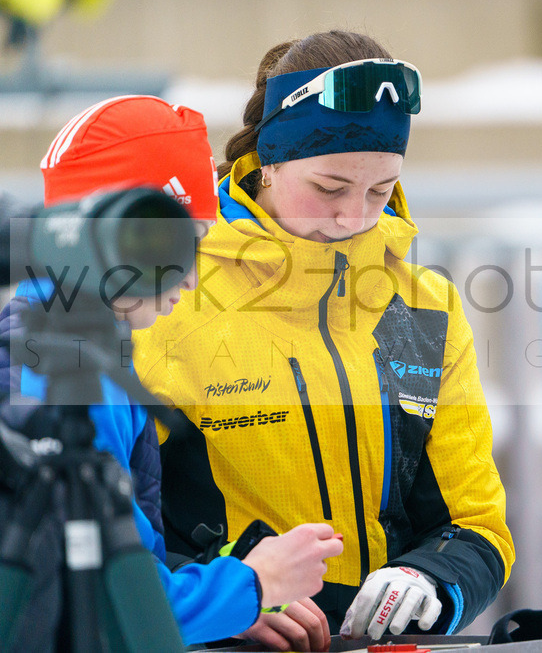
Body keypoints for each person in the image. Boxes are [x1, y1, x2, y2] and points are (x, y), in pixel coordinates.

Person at [131, 30, 516, 642]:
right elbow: (114, 536)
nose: (353, 217)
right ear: (269, 162)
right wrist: (234, 598)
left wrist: (429, 582)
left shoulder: (423, 307)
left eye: (380, 191)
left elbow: (476, 524)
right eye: (329, 188)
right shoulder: (169, 299)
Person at [0, 95, 344, 649]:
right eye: (187, 247)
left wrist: (227, 603)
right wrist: (256, 583)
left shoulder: (49, 343)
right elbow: (109, 612)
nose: (190, 280)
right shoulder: (71, 375)